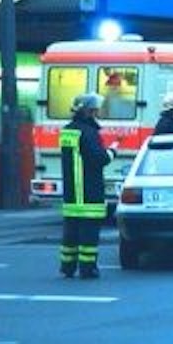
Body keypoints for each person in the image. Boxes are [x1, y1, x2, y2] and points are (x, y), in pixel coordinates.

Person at [59, 93, 119, 279]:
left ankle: (67, 266)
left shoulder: (68, 131)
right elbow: (99, 159)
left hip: (71, 193)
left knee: (70, 233)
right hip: (89, 191)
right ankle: (88, 268)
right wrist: (112, 151)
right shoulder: (89, 132)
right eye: (96, 110)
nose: (98, 113)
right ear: (90, 111)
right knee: (89, 235)